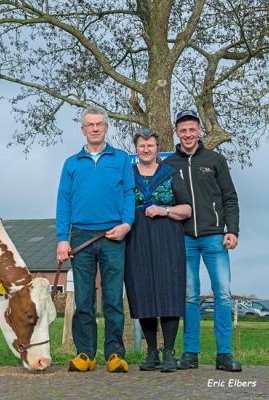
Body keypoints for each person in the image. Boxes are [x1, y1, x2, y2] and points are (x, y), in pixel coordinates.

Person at [56, 105, 135, 373]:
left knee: (113, 297)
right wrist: (62, 239)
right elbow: (63, 202)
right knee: (84, 299)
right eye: (90, 124)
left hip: (113, 234)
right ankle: (85, 354)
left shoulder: (121, 159)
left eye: (100, 123)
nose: (95, 128)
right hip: (80, 236)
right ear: (83, 129)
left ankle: (114, 354)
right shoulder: (71, 163)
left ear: (106, 127)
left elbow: (128, 194)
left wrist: (126, 224)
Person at [164, 110, 242, 372]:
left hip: (214, 238)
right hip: (183, 239)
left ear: (199, 131)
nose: (187, 134)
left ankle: (224, 355)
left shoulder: (215, 160)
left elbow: (230, 197)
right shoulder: (169, 164)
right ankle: (190, 354)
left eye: (192, 129)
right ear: (177, 132)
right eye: (183, 130)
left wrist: (233, 230)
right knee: (189, 297)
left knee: (222, 294)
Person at [124, 129, 191, 373]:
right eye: (141, 145)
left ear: (156, 147)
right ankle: (151, 353)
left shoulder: (170, 173)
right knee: (144, 291)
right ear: (136, 149)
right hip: (137, 238)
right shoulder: (128, 176)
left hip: (167, 237)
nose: (146, 149)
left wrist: (163, 210)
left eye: (150, 145)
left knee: (169, 291)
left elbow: (186, 209)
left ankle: (169, 353)